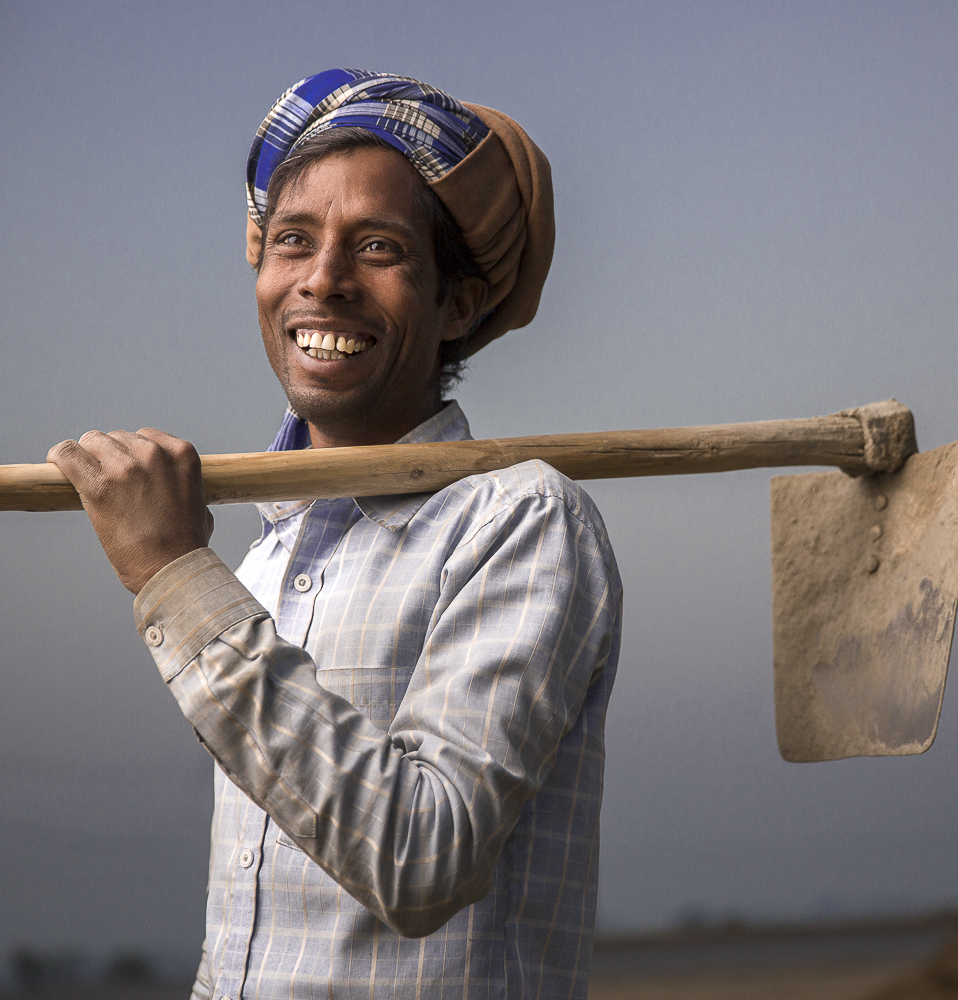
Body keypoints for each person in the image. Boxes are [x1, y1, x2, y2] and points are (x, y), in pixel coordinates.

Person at [47, 70, 622, 999]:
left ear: (459, 305)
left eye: (379, 247)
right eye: (293, 241)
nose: (322, 279)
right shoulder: (267, 558)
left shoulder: (519, 519)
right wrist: (197, 577)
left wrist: (173, 573)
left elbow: (424, 859)